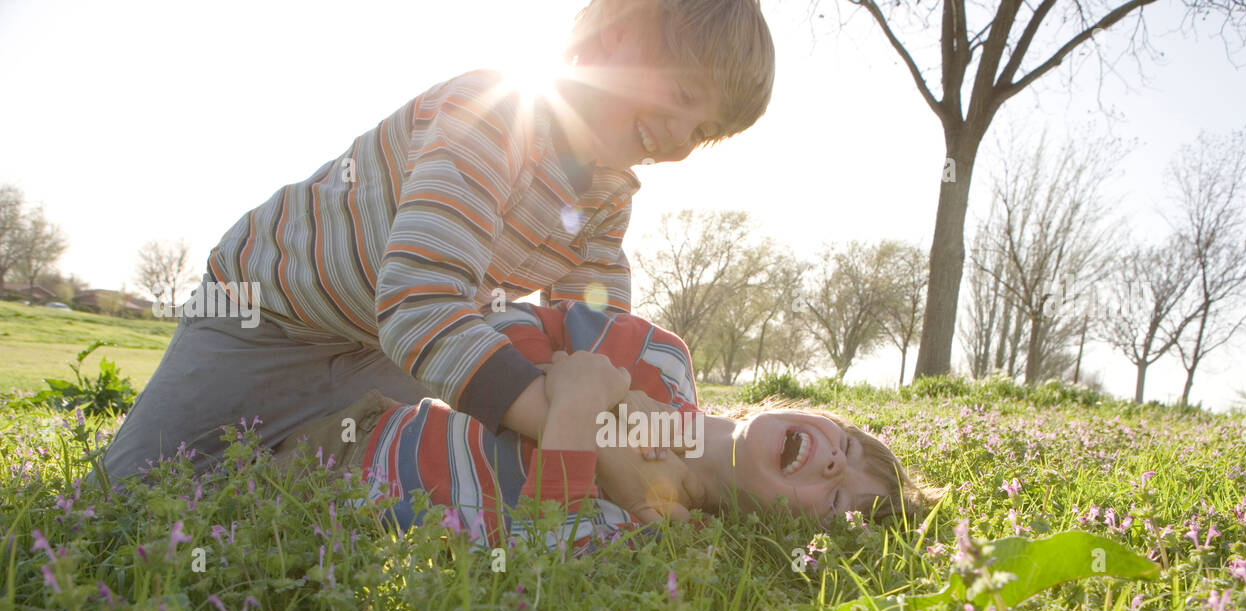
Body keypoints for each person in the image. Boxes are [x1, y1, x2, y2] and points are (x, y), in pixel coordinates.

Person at [102, 0, 776, 526]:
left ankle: (303, 459)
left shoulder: (605, 199)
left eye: (704, 131)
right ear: (616, 37)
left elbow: (594, 347)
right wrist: (600, 442)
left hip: (389, 353)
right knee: (127, 499)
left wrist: (648, 442)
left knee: (317, 487)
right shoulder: (491, 113)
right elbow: (420, 303)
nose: (682, 142)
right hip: (269, 320)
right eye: (685, 99)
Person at [268, 300, 938, 554]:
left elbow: (541, 554)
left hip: (362, 522)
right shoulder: (659, 357)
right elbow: (507, 327)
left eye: (838, 501)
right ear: (814, 415)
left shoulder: (670, 530)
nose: (832, 465)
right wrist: (583, 395)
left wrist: (578, 415)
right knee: (197, 481)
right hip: (358, 437)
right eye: (845, 447)